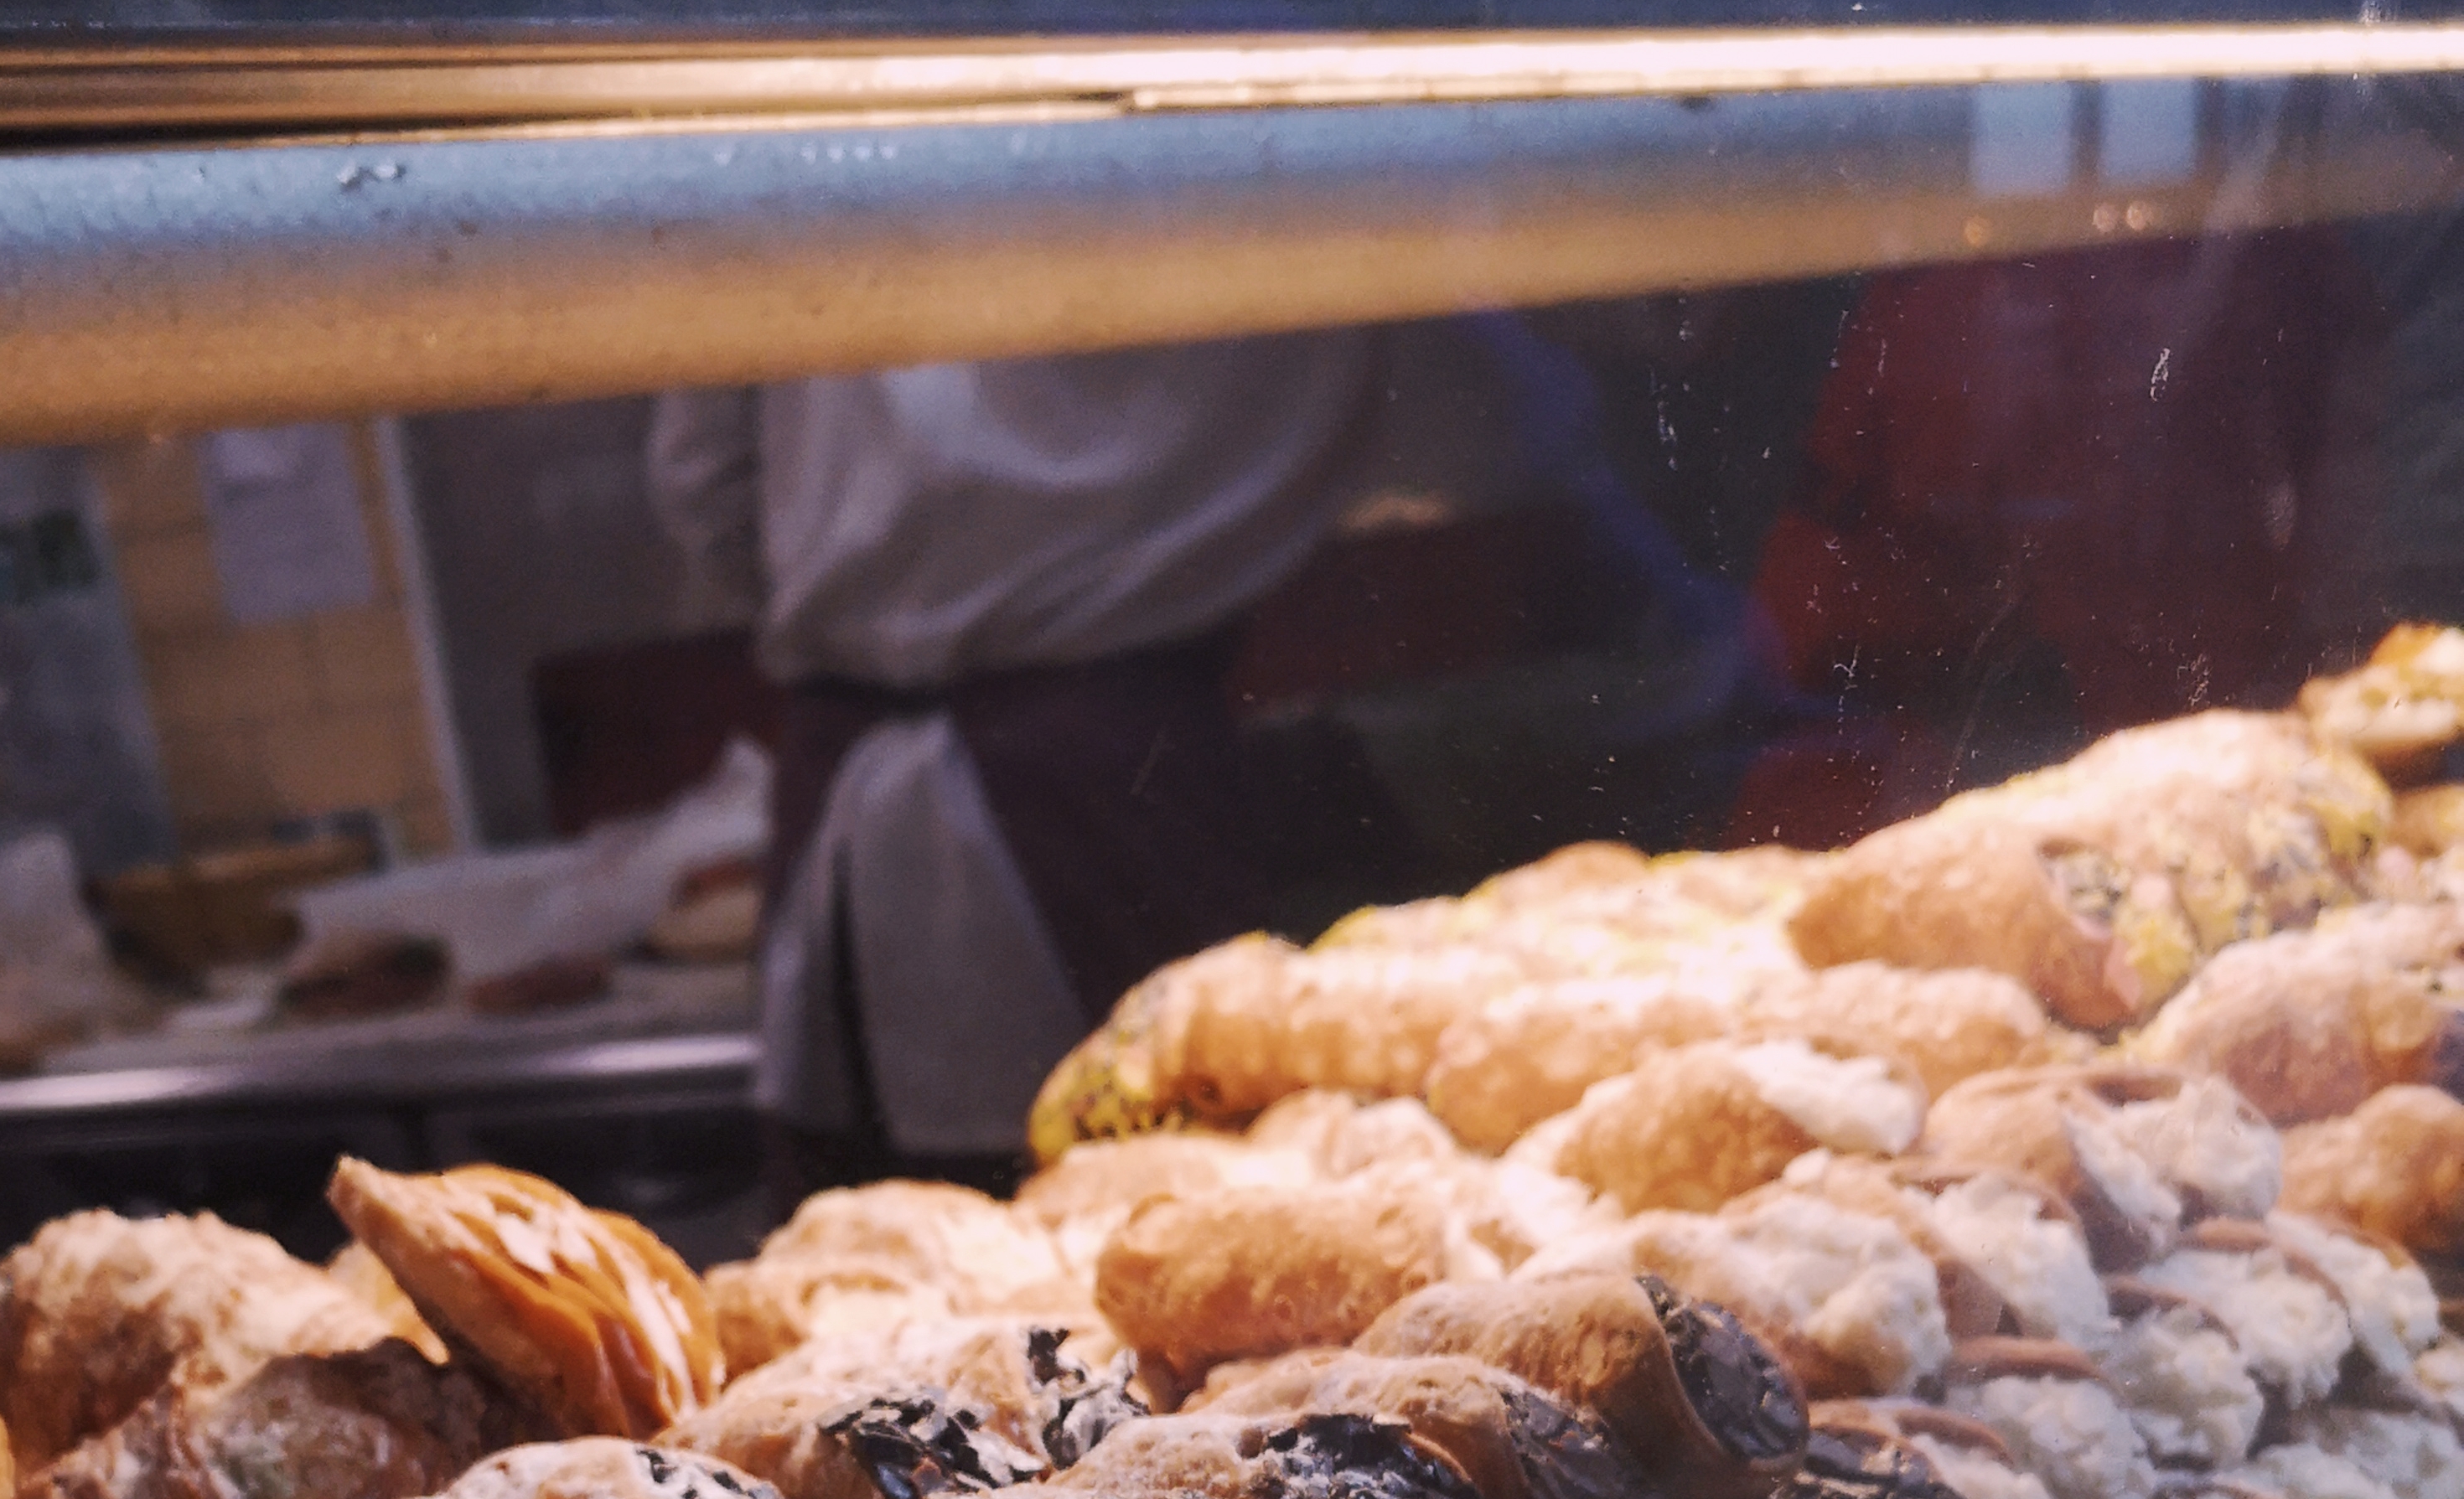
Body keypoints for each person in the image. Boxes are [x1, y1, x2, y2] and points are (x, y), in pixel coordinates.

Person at [650, 324, 1760, 1166]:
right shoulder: (1265, 105)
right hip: (1097, 787)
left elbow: (703, 485)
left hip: (863, 778)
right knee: (1137, 1249)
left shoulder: (840, 110)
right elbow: (1514, 425)